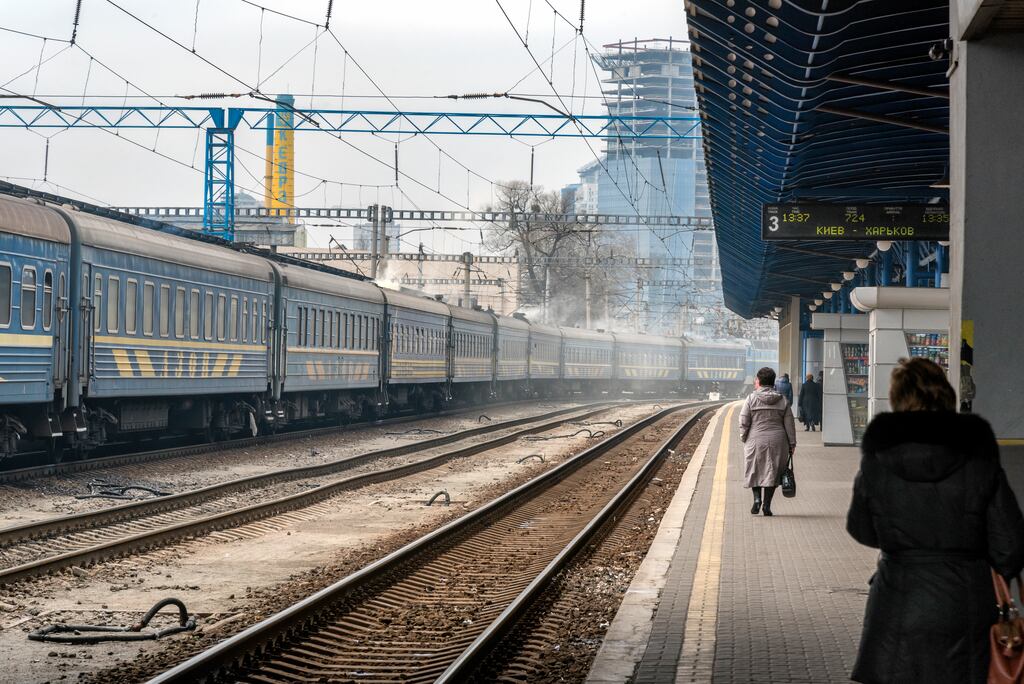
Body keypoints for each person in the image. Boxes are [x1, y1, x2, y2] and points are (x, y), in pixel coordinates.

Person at [847, 358, 1024, 684]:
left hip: (898, 594)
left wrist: (900, 542)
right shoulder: (978, 456)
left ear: (897, 398)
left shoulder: (878, 458)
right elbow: (1010, 542)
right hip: (965, 601)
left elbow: (860, 528)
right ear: (946, 395)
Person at [740, 367, 796, 516]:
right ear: (773, 382)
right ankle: (767, 506)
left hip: (755, 439)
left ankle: (757, 500)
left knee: (755, 469)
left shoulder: (751, 398)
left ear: (759, 381)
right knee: (773, 471)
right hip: (778, 441)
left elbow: (744, 420)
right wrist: (792, 444)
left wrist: (743, 437)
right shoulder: (782, 400)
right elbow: (790, 424)